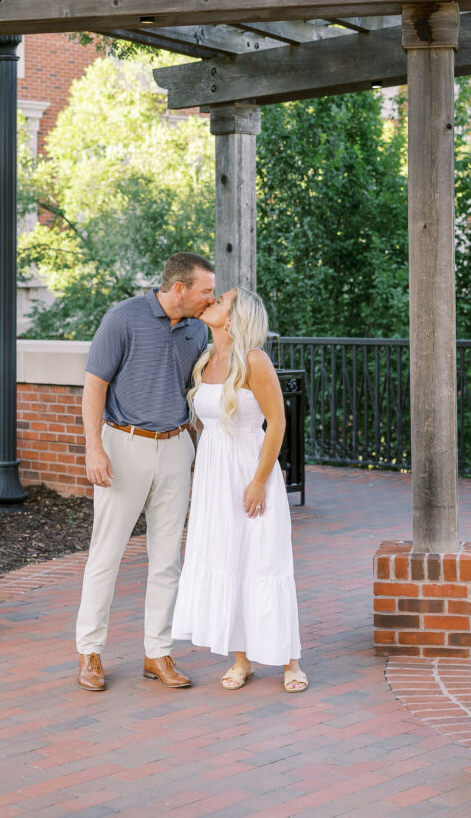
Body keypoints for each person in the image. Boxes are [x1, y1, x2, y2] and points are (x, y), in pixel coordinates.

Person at [76, 252, 216, 691]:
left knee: (167, 559)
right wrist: (94, 449)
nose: (210, 298)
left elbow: (200, 388)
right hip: (124, 445)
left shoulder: (198, 330)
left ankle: (157, 653)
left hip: (176, 447)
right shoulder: (124, 318)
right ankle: (90, 653)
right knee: (107, 554)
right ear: (180, 289)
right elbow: (94, 385)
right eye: (205, 291)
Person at [171, 287, 306, 693]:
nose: (212, 302)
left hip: (250, 473)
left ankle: (289, 661)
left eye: (221, 300)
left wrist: (262, 480)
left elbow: (277, 422)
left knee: (265, 561)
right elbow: (204, 425)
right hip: (215, 477)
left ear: (234, 317)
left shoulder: (254, 360)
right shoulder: (206, 360)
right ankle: (242, 660)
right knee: (230, 559)